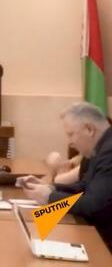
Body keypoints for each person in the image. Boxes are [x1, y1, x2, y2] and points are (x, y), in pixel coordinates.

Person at [21, 102, 112, 250]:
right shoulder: (100, 147)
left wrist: (50, 197)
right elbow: (83, 187)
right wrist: (50, 188)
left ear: (89, 129)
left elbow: (93, 205)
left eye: (71, 134)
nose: (70, 143)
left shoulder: (109, 151)